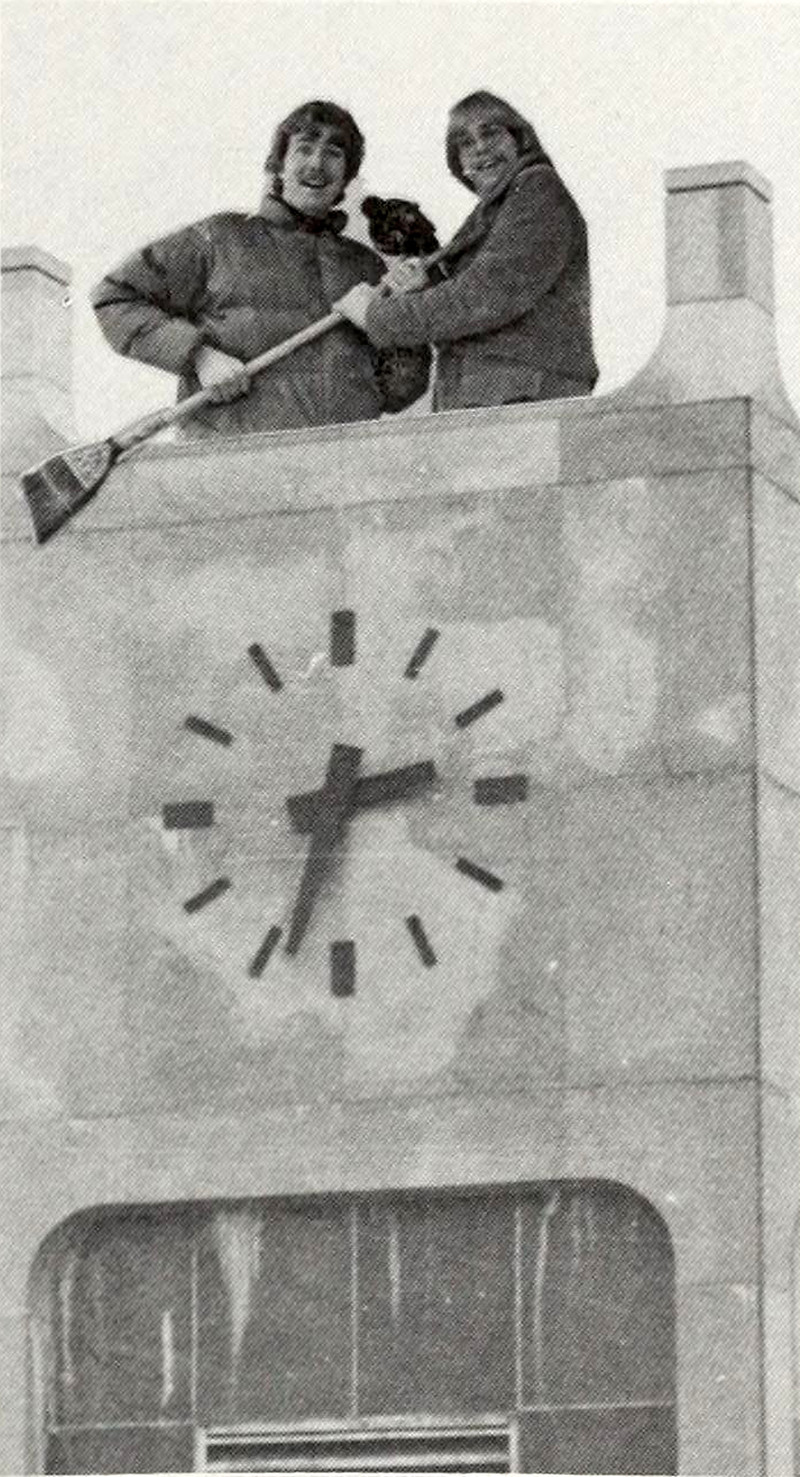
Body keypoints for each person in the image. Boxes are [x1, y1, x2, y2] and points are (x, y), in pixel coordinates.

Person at [91, 101, 430, 435]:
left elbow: (400, 392)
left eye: (333, 153)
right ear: (279, 164)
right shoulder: (219, 238)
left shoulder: (366, 266)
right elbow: (114, 297)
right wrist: (199, 356)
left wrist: (404, 316)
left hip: (341, 460)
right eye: (304, 148)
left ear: (346, 175)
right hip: (235, 458)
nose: (317, 163)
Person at [335, 91, 598, 411]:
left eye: (490, 133)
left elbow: (486, 295)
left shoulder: (537, 190)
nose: (480, 148)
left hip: (521, 399)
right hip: (489, 397)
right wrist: (426, 286)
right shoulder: (500, 210)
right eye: (465, 143)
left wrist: (375, 317)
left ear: (520, 139)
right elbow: (474, 312)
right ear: (459, 163)